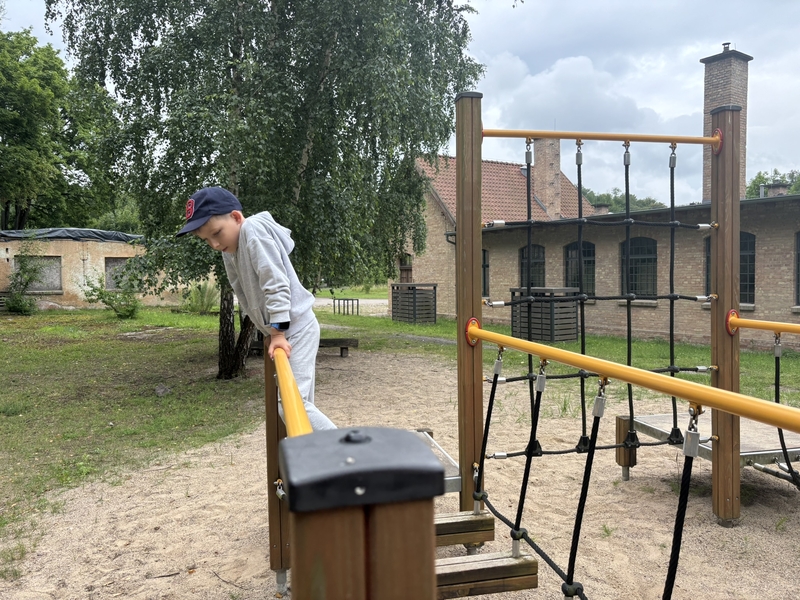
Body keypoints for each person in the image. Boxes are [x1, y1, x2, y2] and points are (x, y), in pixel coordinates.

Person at [176, 186, 336, 431]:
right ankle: (315, 450)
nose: (215, 244)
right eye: (206, 240)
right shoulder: (230, 249)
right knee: (300, 407)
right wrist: (270, 331)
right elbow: (243, 293)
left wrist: (277, 333)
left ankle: (349, 449)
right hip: (285, 330)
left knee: (293, 406)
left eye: (217, 233)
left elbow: (276, 283)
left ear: (236, 217)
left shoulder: (253, 231)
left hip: (297, 328)